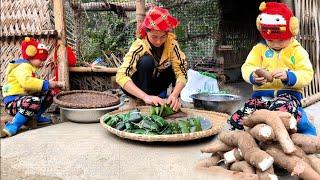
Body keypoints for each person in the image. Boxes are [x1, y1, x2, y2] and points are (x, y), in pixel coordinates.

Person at [228, 2, 317, 136]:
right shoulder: (259, 49)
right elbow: (247, 67)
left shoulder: (297, 51)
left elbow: (307, 73)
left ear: (291, 33)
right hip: (261, 96)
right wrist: (253, 76)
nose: (275, 44)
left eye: (280, 40)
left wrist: (290, 76)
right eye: (271, 40)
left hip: (289, 95)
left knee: (282, 112)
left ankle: (305, 126)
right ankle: (251, 137)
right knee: (239, 118)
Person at [116, 6, 187, 111]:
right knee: (146, 61)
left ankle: (173, 100)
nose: (158, 41)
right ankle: (140, 100)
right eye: (154, 36)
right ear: (146, 32)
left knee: (174, 68)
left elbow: (181, 73)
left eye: (163, 37)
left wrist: (174, 94)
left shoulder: (172, 44)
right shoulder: (139, 45)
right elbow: (121, 76)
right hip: (138, 85)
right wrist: (145, 96)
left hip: (153, 87)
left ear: (167, 34)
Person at [1, 37, 64, 137]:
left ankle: (35, 117)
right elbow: (26, 82)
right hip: (12, 103)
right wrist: (46, 83)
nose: (43, 62)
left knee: (50, 93)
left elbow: (34, 85)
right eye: (41, 59)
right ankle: (13, 126)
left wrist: (46, 85)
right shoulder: (23, 66)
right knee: (33, 100)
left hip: (23, 99)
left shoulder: (31, 67)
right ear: (31, 55)